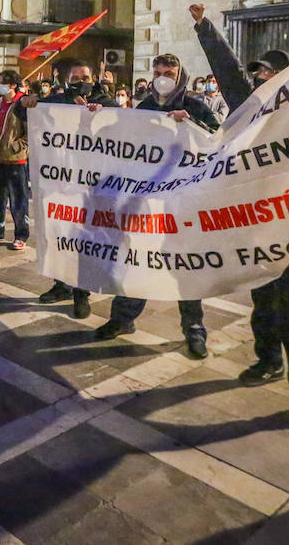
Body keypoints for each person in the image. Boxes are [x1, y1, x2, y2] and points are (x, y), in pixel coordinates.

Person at [190, 2, 289, 431]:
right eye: (259, 73)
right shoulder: (250, 106)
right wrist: (205, 28)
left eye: (269, 73)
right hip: (254, 223)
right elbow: (229, 74)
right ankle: (268, 360)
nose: (261, 78)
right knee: (263, 298)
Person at [92, 54, 217, 357]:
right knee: (136, 259)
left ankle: (194, 328)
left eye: (169, 73)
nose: (162, 77)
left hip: (183, 201)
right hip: (147, 200)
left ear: (180, 76)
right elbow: (125, 137)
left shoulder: (195, 105)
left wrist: (192, 123)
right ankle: (123, 319)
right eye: (158, 72)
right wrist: (97, 116)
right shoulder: (145, 107)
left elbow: (217, 141)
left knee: (184, 266)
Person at [31, 60, 110, 318]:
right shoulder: (57, 100)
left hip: (91, 185)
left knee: (83, 240)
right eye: (75, 78)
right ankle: (60, 284)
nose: (80, 82)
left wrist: (97, 115)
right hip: (60, 180)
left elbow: (122, 128)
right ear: (67, 80)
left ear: (93, 78)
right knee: (58, 235)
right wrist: (27, 103)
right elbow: (31, 115)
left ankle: (81, 293)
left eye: (85, 77)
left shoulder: (105, 101)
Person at [0, 70, 30, 251]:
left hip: (15, 161)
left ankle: (21, 234)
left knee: (19, 201)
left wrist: (17, 146)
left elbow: (30, 132)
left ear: (13, 85)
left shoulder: (22, 104)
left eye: (2, 83)